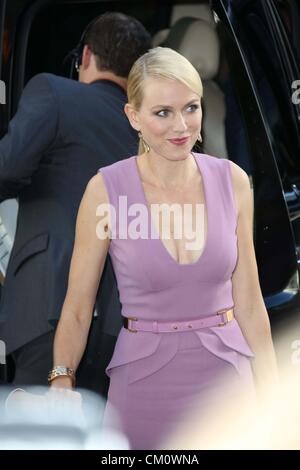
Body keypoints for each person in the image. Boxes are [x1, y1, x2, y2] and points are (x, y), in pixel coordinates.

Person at [49, 47, 279, 450]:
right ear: (133, 117)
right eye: (163, 113)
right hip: (142, 385)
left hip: (227, 382)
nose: (181, 126)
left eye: (191, 107)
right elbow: (78, 307)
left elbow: (250, 302)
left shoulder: (233, 181)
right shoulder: (105, 191)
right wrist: (62, 377)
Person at [0, 12, 151, 395]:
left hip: (49, 305)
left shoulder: (54, 92)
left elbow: (7, 167)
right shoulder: (154, 129)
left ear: (85, 57)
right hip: (127, 323)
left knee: (44, 436)